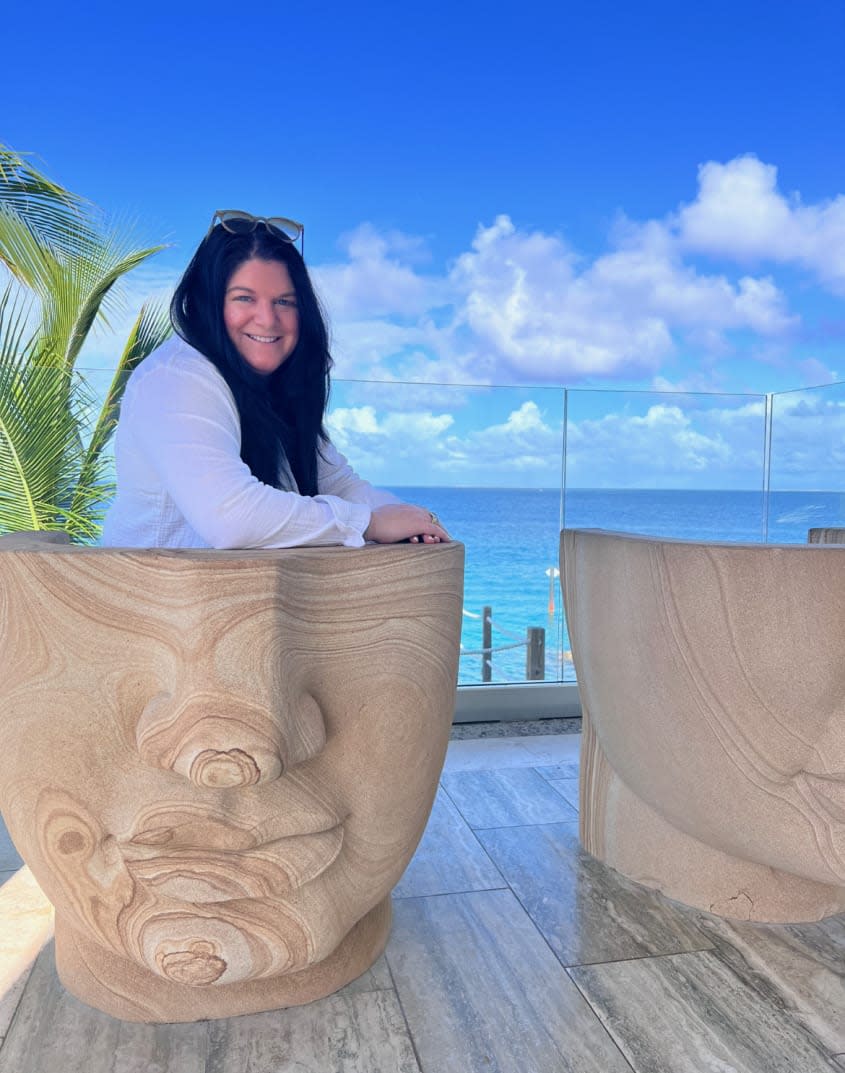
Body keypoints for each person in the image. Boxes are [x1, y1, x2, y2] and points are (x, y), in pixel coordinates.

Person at [102, 209, 448, 550]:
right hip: (156, 599)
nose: (268, 319)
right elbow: (231, 517)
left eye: (284, 301)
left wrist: (417, 522)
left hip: (223, 597)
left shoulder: (266, 385)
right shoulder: (177, 378)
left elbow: (340, 485)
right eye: (244, 298)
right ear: (208, 302)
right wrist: (367, 523)